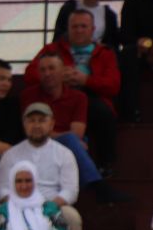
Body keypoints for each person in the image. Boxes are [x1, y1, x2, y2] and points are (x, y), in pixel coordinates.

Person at [19, 51, 122, 202]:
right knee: (71, 140)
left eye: (51, 68)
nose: (47, 73)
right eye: (42, 70)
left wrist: (66, 137)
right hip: (36, 143)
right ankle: (97, 185)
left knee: (73, 140)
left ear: (63, 71)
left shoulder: (79, 97)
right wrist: (69, 138)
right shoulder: (28, 95)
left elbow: (78, 133)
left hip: (66, 145)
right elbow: (33, 129)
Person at [24, 10, 121, 168]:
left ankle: (106, 164)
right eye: (74, 26)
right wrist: (57, 76)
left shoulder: (105, 53)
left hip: (92, 95)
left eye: (83, 26)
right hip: (57, 94)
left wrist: (86, 80)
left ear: (93, 29)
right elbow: (29, 75)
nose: (79, 30)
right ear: (67, 28)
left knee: (103, 113)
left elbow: (113, 86)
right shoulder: (52, 49)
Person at [0, 103, 83, 230]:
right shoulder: (11, 154)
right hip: (18, 205)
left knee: (71, 217)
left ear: (51, 124)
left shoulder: (64, 153)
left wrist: (48, 207)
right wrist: (21, 205)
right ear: (24, 124)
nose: (36, 125)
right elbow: (1, 189)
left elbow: (70, 191)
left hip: (53, 205)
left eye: (41, 120)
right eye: (31, 120)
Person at [53, 0, 122, 50]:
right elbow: (58, 37)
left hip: (98, 58)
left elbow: (113, 45)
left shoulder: (109, 15)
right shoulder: (69, 9)